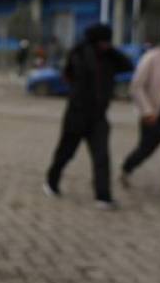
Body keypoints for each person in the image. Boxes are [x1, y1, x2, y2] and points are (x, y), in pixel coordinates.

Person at [44, 24, 133, 208]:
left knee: (102, 156)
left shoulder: (110, 57)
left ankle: (103, 196)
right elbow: (68, 74)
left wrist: (112, 51)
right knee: (66, 153)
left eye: (108, 42)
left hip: (99, 117)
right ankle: (51, 182)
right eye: (103, 42)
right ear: (94, 41)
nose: (106, 45)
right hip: (76, 115)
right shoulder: (79, 54)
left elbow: (128, 65)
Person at [120, 19, 160, 197]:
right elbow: (136, 86)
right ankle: (127, 167)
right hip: (155, 115)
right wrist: (147, 111)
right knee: (146, 149)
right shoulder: (153, 57)